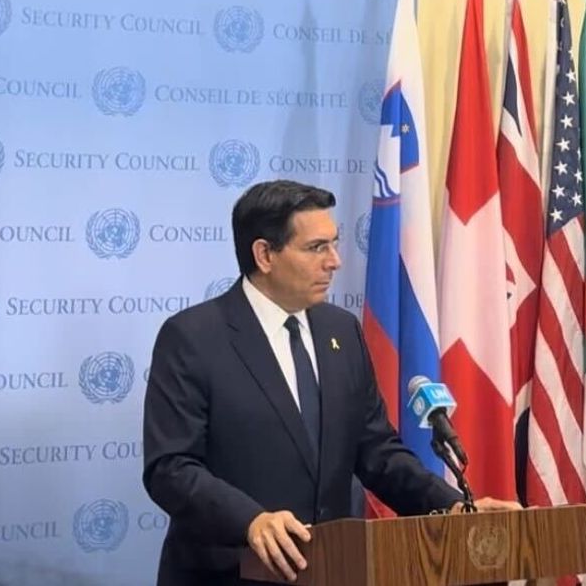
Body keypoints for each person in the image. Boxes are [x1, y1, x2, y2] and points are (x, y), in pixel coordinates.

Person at [142, 180, 520, 585]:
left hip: (333, 570)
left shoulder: (341, 331)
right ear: (265, 254)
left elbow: (377, 452)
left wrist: (453, 509)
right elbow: (170, 467)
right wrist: (251, 521)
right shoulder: (194, 337)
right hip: (228, 574)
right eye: (316, 247)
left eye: (334, 243)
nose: (335, 261)